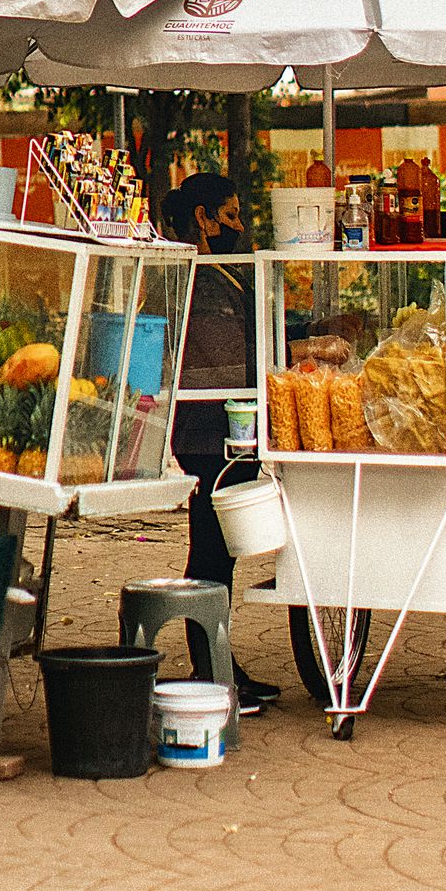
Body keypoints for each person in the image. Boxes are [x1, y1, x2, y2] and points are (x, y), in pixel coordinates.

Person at [162, 171, 281, 715]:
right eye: (229, 216)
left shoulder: (219, 273)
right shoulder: (202, 280)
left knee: (218, 552)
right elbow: (227, 354)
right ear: (205, 219)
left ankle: (219, 664)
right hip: (208, 431)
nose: (239, 225)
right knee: (210, 552)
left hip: (222, 428)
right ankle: (212, 670)